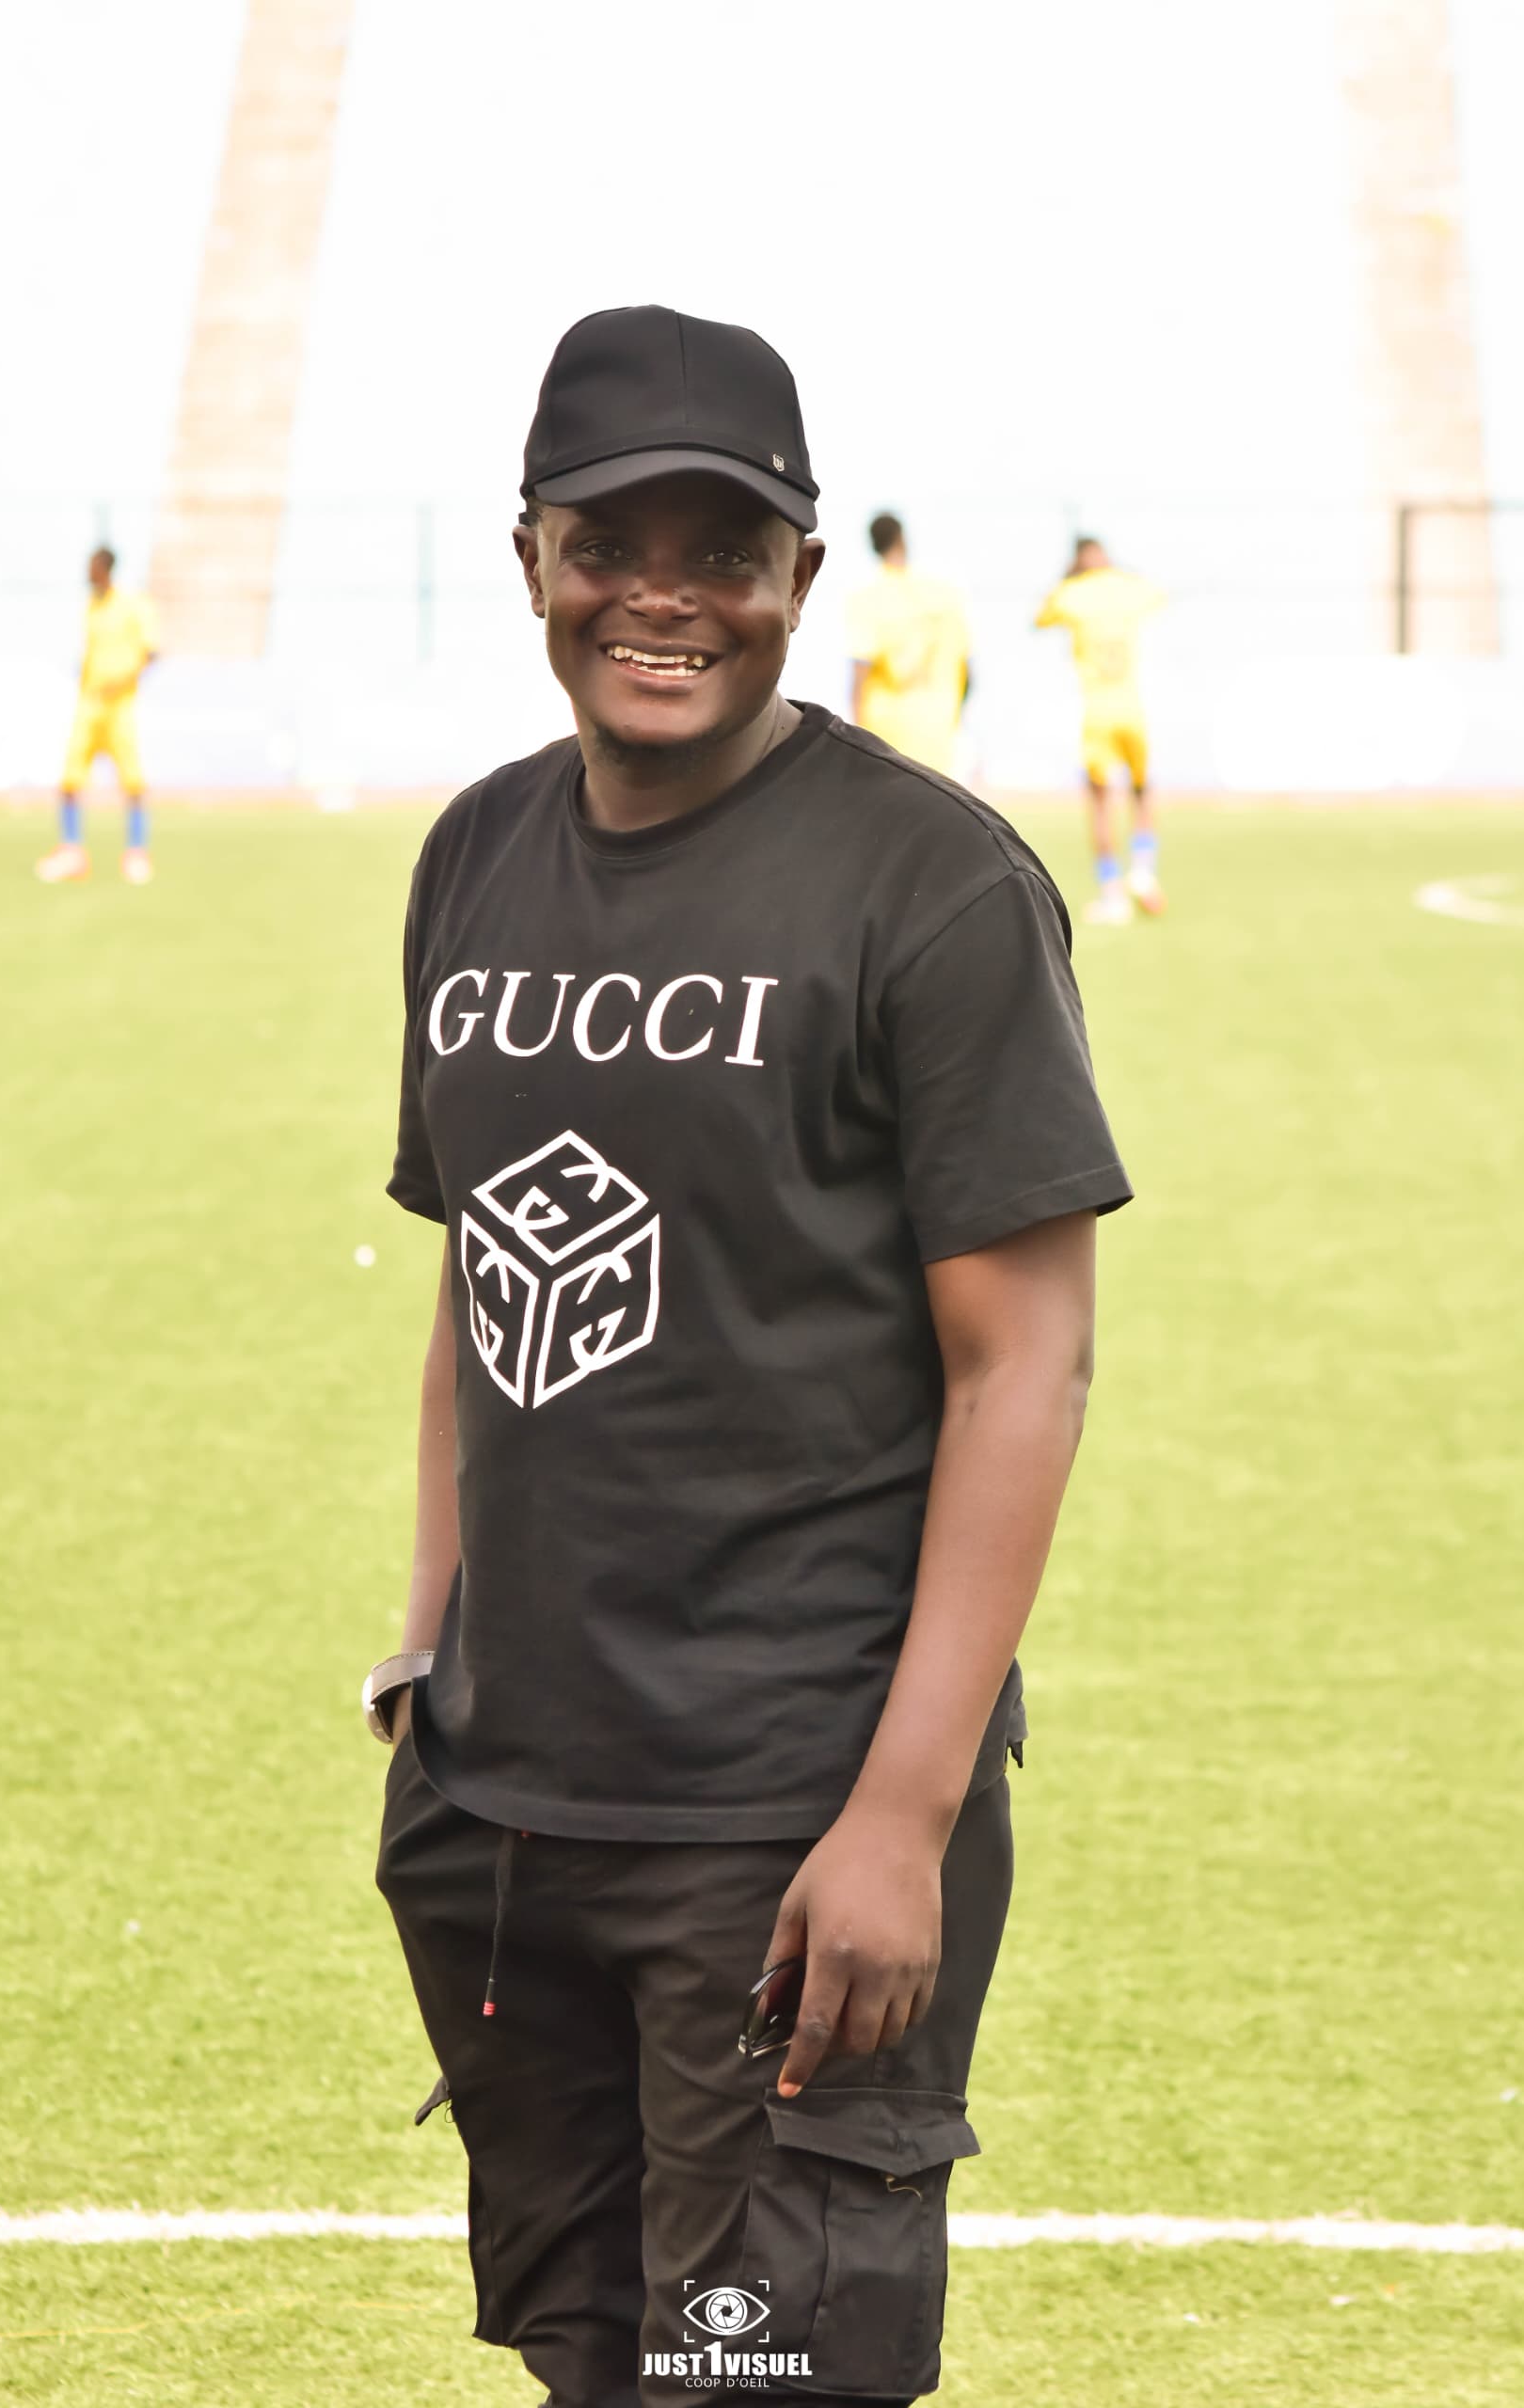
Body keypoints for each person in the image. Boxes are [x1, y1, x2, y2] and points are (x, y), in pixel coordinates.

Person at [368, 305, 1131, 2408]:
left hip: (785, 1821)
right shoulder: (475, 854)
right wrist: (428, 1647)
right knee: (592, 2365)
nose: (666, 597)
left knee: (765, 2386)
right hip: (506, 1806)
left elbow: (1025, 1369)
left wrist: (902, 1814)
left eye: (724, 549)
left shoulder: (930, 884)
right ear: (530, 556)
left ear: (799, 572)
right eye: (611, 542)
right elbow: (476, 1266)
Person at [1035, 537, 1165, 924]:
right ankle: (1142, 871)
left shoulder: (1073, 593)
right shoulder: (1127, 587)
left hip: (1096, 713)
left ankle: (1112, 894)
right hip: (1133, 707)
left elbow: (1040, 617)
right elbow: (1157, 594)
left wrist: (1067, 576)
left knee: (1100, 804)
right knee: (1142, 790)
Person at [37, 547, 158, 884]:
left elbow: (151, 651)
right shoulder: (91, 607)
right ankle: (72, 851)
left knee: (133, 781)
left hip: (120, 705)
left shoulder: (132, 604)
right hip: (89, 704)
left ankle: (137, 853)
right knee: (70, 779)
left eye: (92, 568)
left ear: (104, 569)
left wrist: (123, 680)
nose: (87, 574)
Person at [845, 513, 972, 775]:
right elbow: (968, 668)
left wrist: (855, 741)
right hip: (939, 732)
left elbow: (860, 673)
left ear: (873, 546)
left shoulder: (868, 597)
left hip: (888, 741)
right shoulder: (945, 593)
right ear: (902, 539)